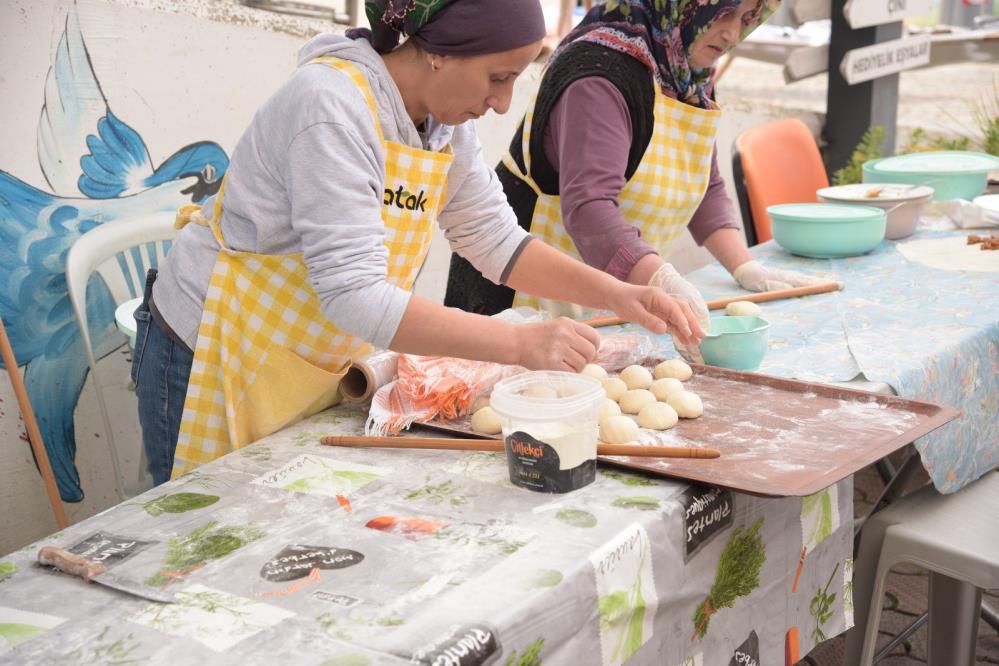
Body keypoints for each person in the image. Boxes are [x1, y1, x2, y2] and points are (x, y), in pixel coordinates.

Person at [132, 0, 704, 485]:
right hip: (213, 349)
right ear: (439, 49)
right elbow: (355, 295)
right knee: (195, 542)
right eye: (498, 78)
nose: (504, 103)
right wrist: (520, 344)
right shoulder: (331, 108)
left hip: (301, 358)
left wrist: (619, 295)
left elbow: (496, 240)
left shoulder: (442, 122)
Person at [445, 0, 825, 360]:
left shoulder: (686, 75)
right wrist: (659, 278)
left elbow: (703, 186)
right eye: (723, 13)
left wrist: (746, 268)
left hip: (615, 297)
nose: (730, 34)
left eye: (745, 19)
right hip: (523, 301)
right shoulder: (600, 73)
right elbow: (590, 209)